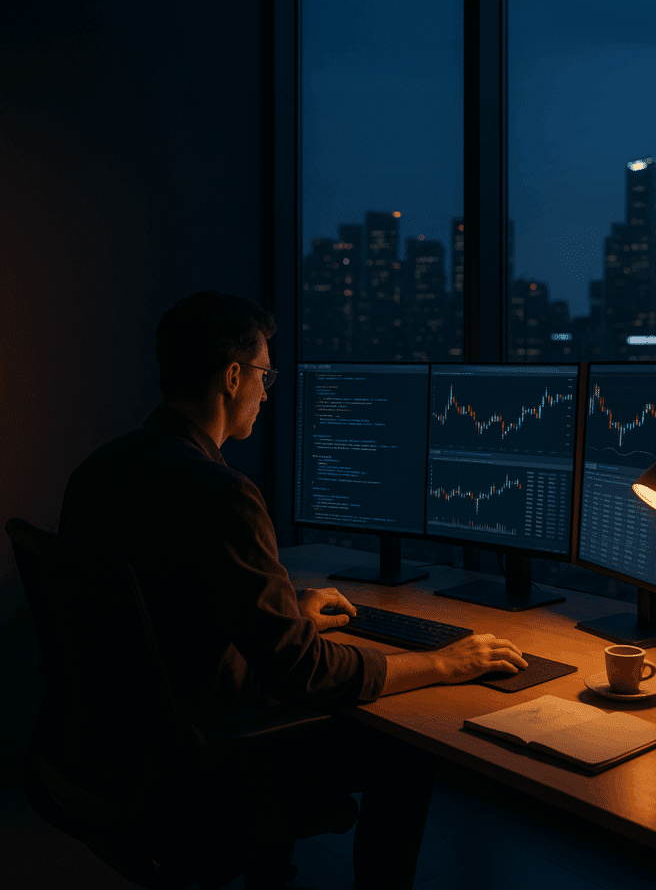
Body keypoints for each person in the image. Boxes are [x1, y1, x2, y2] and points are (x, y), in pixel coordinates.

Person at [58, 291, 527, 890]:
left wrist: (288, 614)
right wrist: (442, 661)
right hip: (202, 758)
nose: (266, 388)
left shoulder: (99, 470)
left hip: (111, 749)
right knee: (408, 750)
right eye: (263, 373)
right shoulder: (220, 494)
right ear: (232, 377)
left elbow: (166, 607)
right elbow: (303, 675)